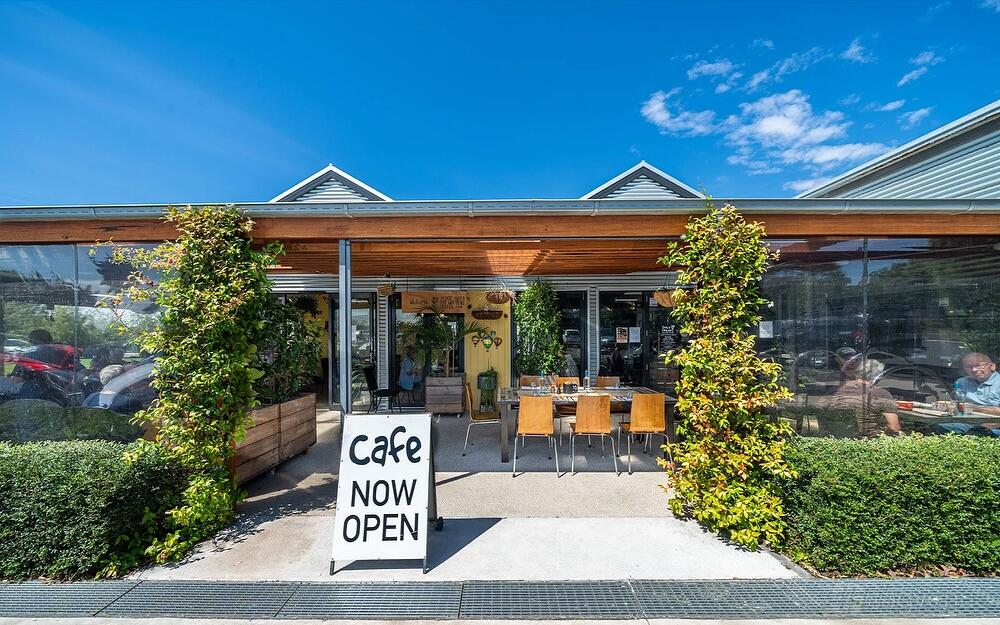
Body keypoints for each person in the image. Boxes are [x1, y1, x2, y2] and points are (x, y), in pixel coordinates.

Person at [829, 358, 901, 437]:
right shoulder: (881, 394)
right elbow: (894, 428)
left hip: (837, 436)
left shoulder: (840, 389)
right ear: (877, 377)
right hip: (868, 439)